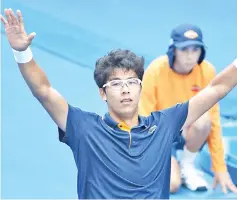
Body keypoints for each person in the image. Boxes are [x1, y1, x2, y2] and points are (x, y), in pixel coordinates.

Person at [1, 9, 237, 199]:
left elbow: (216, 89)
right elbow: (44, 91)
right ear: (103, 94)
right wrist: (22, 53)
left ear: (140, 88)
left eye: (132, 81)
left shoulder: (164, 124)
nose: (125, 88)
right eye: (115, 84)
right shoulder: (84, 128)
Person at [139, 24, 237, 194]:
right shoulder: (156, 70)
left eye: (195, 49)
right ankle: (169, 166)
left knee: (204, 119)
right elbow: (143, 118)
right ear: (173, 50)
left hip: (187, 132)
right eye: (184, 50)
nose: (190, 56)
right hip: (160, 136)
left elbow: (214, 121)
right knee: (171, 185)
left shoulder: (206, 71)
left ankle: (187, 164)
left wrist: (219, 167)